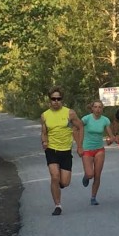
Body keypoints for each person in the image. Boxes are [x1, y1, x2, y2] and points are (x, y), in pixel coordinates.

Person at [40, 86, 84, 216]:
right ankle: (58, 205)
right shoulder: (45, 115)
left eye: (58, 99)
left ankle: (60, 183)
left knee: (64, 182)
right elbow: (43, 132)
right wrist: (44, 141)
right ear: (50, 100)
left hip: (65, 151)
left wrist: (80, 146)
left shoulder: (70, 113)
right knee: (54, 176)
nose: (56, 101)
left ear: (62, 100)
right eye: (53, 99)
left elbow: (80, 127)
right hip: (51, 150)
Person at [80, 99, 115, 205]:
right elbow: (77, 129)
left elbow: (111, 135)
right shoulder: (86, 119)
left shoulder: (105, 120)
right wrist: (79, 145)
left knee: (97, 175)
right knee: (90, 174)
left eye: (100, 107)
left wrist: (110, 140)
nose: (98, 109)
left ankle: (93, 197)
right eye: (95, 107)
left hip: (99, 149)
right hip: (87, 149)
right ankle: (86, 176)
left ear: (102, 109)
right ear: (92, 108)